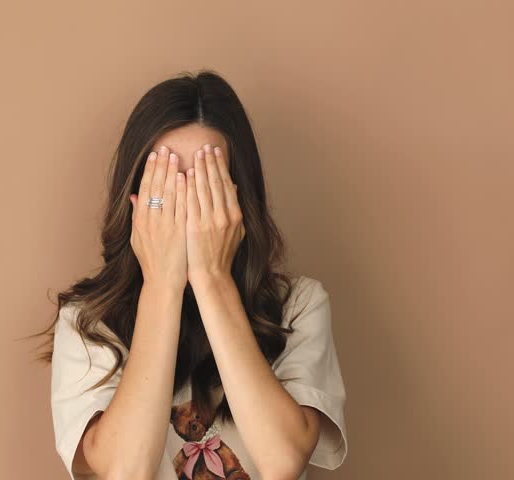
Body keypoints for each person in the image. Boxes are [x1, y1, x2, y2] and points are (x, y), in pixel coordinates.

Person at [34, 70, 347, 480]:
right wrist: (162, 284)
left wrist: (213, 278)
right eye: (166, 183)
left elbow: (283, 461)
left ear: (237, 194)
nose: (187, 205)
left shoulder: (299, 305)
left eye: (206, 184)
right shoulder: (87, 321)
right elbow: (125, 471)